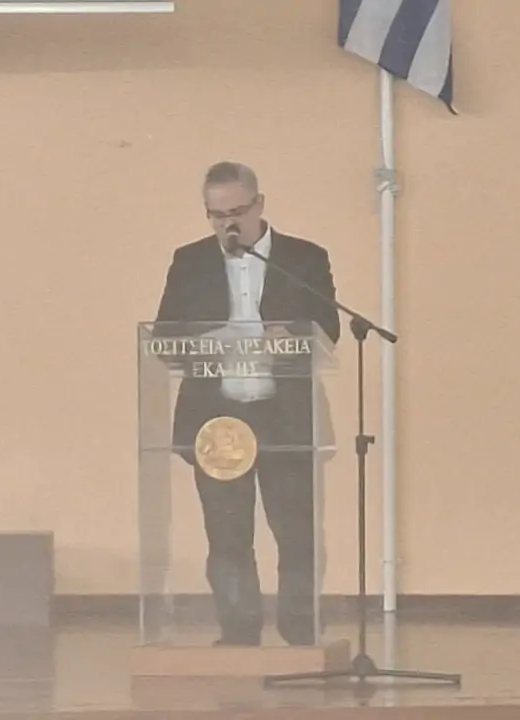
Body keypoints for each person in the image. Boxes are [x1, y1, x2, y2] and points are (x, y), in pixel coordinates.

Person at [153, 161, 340, 647]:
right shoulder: (189, 261)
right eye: (216, 216)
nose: (227, 225)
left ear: (259, 205)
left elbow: (329, 331)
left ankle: (300, 631)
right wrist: (211, 343)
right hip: (218, 420)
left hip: (283, 416)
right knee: (228, 535)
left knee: (296, 533)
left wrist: (291, 337)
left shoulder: (304, 259)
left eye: (236, 212)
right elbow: (164, 340)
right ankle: (239, 633)